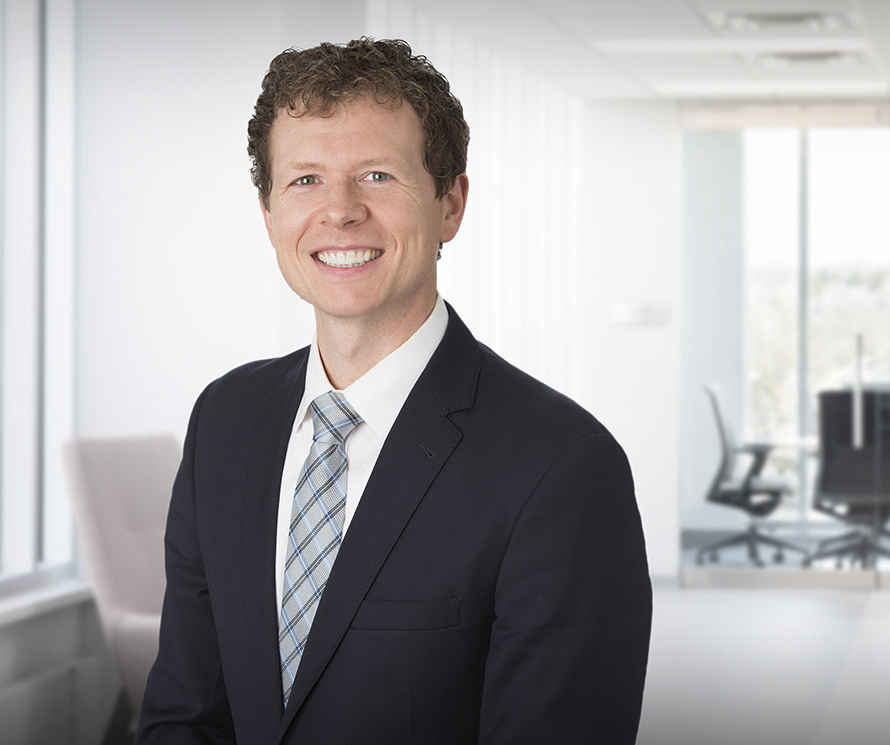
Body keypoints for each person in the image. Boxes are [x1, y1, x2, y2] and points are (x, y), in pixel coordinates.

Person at [136, 38, 651, 745]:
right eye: (305, 180)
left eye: (376, 175)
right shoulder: (225, 421)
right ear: (268, 214)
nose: (340, 211)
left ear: (451, 204)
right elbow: (185, 714)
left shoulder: (562, 467)